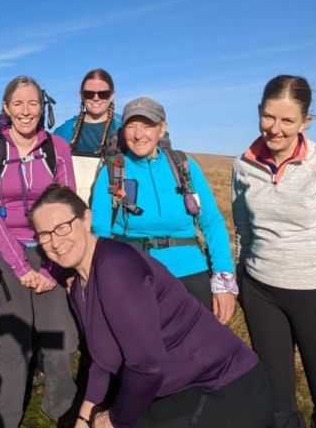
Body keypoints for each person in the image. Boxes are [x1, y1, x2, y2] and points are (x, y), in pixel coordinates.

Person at [29, 184, 273, 428]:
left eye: (62, 227)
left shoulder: (115, 267)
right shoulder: (79, 285)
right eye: (44, 234)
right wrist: (84, 418)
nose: (55, 241)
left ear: (86, 219)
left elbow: (147, 366)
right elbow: (102, 364)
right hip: (177, 390)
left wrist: (113, 419)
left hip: (222, 387)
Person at [232, 75, 316, 428]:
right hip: (261, 293)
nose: (275, 129)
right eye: (268, 117)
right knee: (275, 401)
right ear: (259, 112)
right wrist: (242, 277)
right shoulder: (242, 165)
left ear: (305, 122)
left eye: (288, 120)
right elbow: (243, 229)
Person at [0, 76, 79, 428]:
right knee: (11, 345)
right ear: (6, 108)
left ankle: (60, 409)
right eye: (17, 104)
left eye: (33, 103)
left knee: (61, 338)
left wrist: (51, 269)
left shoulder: (57, 147)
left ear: (43, 107)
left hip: (51, 249)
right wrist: (21, 267)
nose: (26, 111)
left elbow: (67, 208)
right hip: (5, 249)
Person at [89, 97, 237, 324]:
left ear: (162, 129)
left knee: (197, 350)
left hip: (191, 271)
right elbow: (99, 230)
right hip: (132, 273)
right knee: (143, 351)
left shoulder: (184, 165)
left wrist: (223, 280)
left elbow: (212, 222)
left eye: (147, 125)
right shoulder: (112, 170)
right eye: (131, 126)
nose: (139, 134)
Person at [54, 69, 122, 204]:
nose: (96, 98)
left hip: (114, 205)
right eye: (89, 93)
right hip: (74, 207)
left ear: (112, 95)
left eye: (103, 94)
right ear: (81, 95)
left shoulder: (125, 128)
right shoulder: (64, 131)